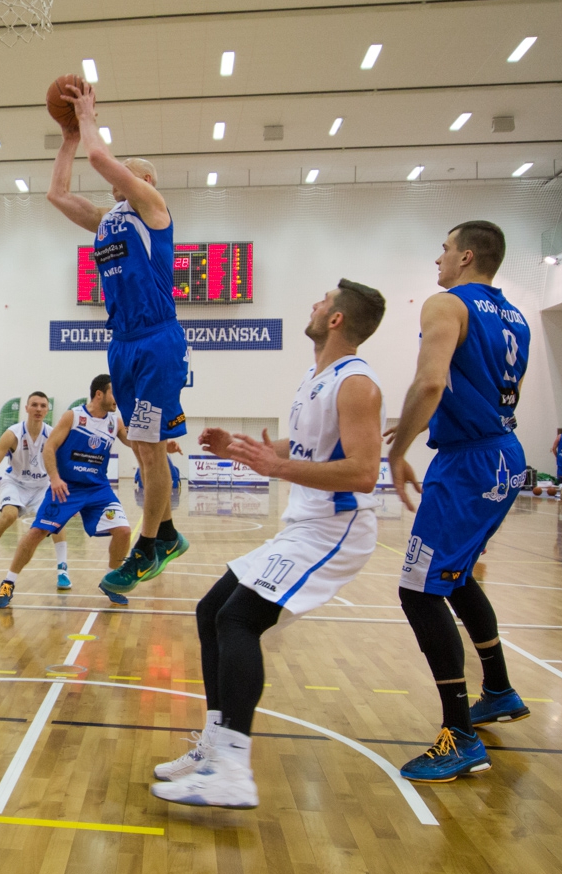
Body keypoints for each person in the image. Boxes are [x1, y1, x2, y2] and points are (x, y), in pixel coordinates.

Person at [152, 280, 387, 809]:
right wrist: (241, 448)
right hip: (303, 523)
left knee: (239, 620)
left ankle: (234, 769)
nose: (313, 301)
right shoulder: (315, 377)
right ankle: (214, 748)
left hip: (336, 529)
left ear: (337, 320)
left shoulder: (358, 385)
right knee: (212, 608)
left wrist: (277, 467)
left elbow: (365, 472)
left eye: (321, 299)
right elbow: (304, 447)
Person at [385, 220, 531, 783]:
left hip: (468, 462)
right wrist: (419, 419)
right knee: (458, 573)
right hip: (504, 452)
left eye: (444, 248)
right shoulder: (512, 314)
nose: (438, 258)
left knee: (419, 591)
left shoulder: (445, 304)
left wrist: (400, 449)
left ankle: (459, 735)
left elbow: (431, 382)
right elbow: (475, 387)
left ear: (467, 256)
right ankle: (497, 689)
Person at [46, 78, 189, 602]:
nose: (116, 177)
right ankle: (168, 535)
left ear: (144, 178)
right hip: (122, 344)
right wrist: (66, 138)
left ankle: (149, 545)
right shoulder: (108, 221)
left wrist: (87, 114)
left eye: (130, 172)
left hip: (155, 340)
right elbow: (56, 195)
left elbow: (102, 154)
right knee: (145, 451)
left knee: (150, 449)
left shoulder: (153, 208)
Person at [0, 374, 149, 610]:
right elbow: (49, 448)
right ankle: (8, 583)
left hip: (98, 489)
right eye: (114, 392)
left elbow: (135, 442)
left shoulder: (115, 422)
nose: (118, 398)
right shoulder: (74, 416)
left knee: (124, 531)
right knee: (36, 533)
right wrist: (54, 478)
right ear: (99, 394)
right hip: (67, 487)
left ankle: (111, 581)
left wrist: (164, 445)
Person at [0, 392, 72, 590]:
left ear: (47, 410)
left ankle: (63, 570)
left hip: (42, 486)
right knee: (9, 517)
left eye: (43, 405)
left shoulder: (53, 434)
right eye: (34, 405)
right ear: (27, 408)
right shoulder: (12, 434)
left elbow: (64, 463)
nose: (38, 409)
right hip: (15, 483)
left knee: (56, 519)